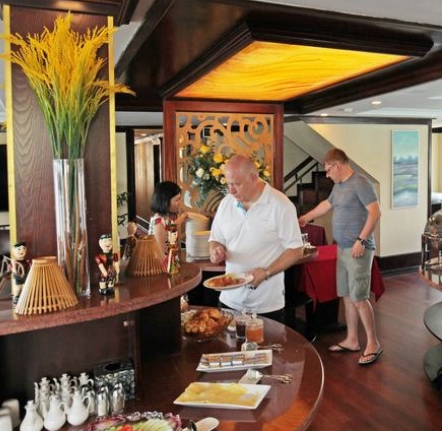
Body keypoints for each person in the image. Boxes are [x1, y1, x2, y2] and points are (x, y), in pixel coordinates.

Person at [298, 148, 383, 366]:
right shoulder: (339, 186)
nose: (327, 175)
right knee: (346, 295)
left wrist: (361, 240)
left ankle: (373, 344)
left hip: (358, 249)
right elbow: (327, 205)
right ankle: (352, 340)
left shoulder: (361, 183)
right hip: (342, 247)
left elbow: (375, 212)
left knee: (359, 297)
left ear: (337, 166)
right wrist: (306, 217)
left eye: (328, 170)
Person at [208, 154, 303, 322]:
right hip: (229, 300)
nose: (231, 190)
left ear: (253, 178)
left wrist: (266, 272)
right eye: (228, 184)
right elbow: (216, 238)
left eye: (237, 184)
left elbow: (296, 250)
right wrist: (215, 249)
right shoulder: (226, 203)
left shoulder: (280, 204)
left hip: (266, 304)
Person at [150, 181, 188, 260]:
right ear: (165, 201)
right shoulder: (158, 223)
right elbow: (161, 256)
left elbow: (171, 229)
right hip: (163, 266)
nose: (179, 203)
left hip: (171, 263)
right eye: (176, 200)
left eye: (179, 199)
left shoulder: (167, 218)